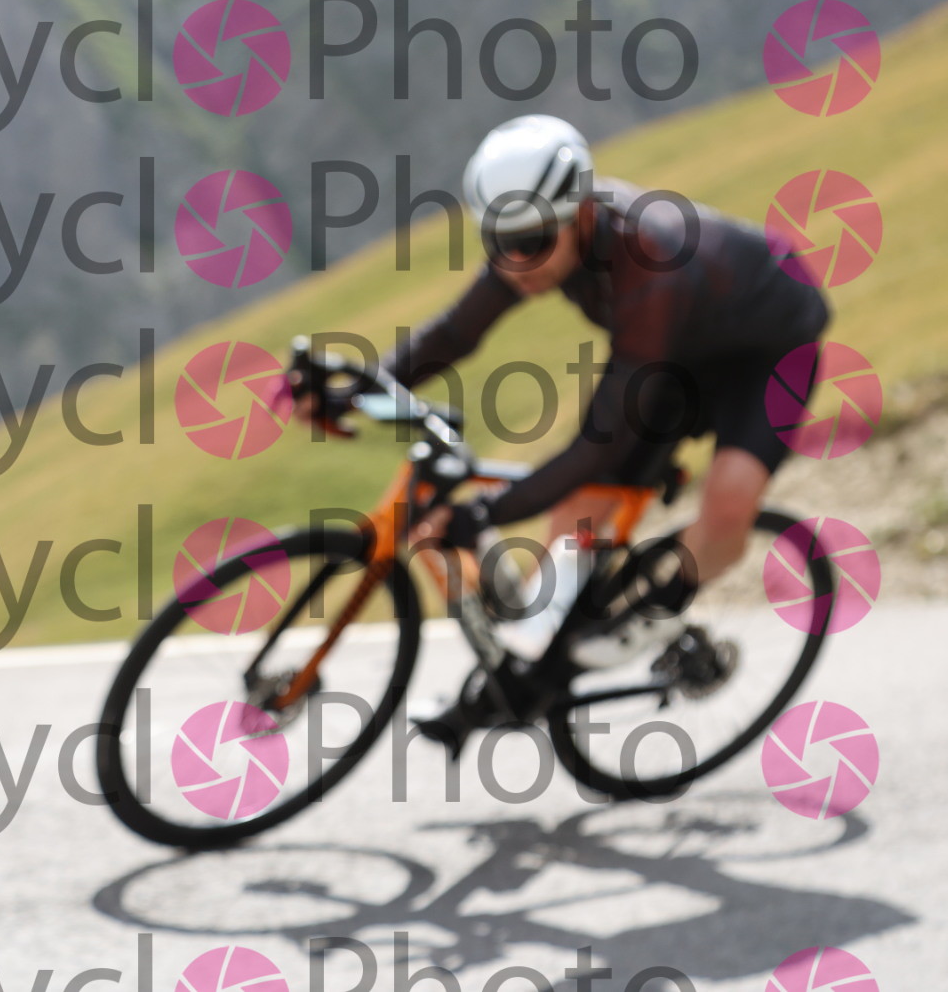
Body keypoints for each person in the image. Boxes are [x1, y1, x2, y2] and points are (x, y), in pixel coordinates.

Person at [292, 114, 830, 741]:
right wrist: (360, 388)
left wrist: (489, 512)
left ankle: (654, 616)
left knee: (728, 501)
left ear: (582, 216)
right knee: (582, 511)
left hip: (768, 353)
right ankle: (529, 670)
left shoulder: (648, 261)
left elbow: (596, 446)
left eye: (529, 242)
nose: (513, 262)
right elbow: (459, 331)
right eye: (497, 240)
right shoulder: (537, 232)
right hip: (672, 352)